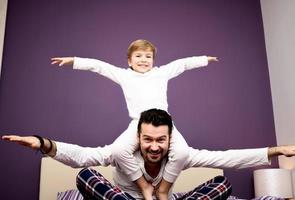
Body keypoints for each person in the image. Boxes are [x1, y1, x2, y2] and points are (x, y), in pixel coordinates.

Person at [50, 39, 218, 200]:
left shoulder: (161, 73)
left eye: (148, 56)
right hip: (138, 124)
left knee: (182, 152)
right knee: (119, 149)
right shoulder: (124, 75)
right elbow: (99, 67)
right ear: (129, 61)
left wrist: (205, 60)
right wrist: (74, 61)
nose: (143, 60)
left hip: (163, 124)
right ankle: (145, 187)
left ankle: (163, 190)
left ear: (153, 60)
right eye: (138, 56)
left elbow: (182, 64)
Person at [2, 108, 295, 200]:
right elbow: (82, 156)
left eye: (160, 140)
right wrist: (42, 142)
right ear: (138, 138)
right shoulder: (122, 152)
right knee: (85, 176)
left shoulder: (182, 154)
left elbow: (225, 158)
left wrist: (275, 150)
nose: (154, 146)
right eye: (148, 139)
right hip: (122, 198)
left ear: (169, 139)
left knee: (223, 184)